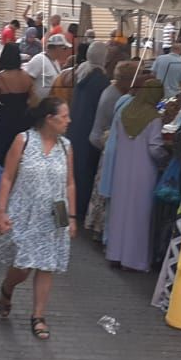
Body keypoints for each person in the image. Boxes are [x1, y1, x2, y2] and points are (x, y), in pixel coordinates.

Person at [0, 98, 75, 341]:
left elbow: (70, 182)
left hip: (54, 215)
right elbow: (7, 177)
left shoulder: (66, 146)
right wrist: (1, 211)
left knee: (46, 265)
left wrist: (72, 216)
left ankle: (38, 316)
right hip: (24, 212)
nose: (69, 121)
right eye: (64, 116)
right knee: (22, 267)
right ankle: (7, 288)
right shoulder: (24, 140)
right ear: (49, 119)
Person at [101, 77, 170, 271]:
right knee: (139, 215)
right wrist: (165, 160)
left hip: (121, 172)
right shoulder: (153, 118)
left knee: (120, 213)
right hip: (144, 173)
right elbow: (154, 148)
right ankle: (134, 260)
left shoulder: (125, 112)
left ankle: (115, 254)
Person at [85, 60, 142, 242]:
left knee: (101, 187)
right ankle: (100, 227)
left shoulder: (114, 92)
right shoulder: (117, 97)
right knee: (105, 189)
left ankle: (96, 225)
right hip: (103, 141)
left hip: (102, 139)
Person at [67, 41, 111, 223]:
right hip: (89, 131)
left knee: (75, 172)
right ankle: (80, 210)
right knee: (84, 173)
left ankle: (72, 207)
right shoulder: (100, 81)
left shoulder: (82, 73)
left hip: (76, 128)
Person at [0, 43, 36, 166]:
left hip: (5, 116)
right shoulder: (27, 77)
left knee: (2, 149)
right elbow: (32, 98)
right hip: (23, 116)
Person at [25, 33, 72, 98]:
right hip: (39, 104)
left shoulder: (55, 61)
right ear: (55, 48)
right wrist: (34, 98)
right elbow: (27, 81)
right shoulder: (39, 59)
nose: (65, 51)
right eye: (64, 48)